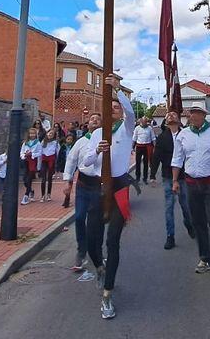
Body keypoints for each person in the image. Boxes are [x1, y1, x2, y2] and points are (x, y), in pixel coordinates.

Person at [80, 76, 136, 319]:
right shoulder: (96, 135)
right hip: (97, 187)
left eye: (117, 106)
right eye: (111, 105)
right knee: (92, 239)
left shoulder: (126, 128)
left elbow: (131, 113)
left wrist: (117, 90)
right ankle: (99, 267)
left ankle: (107, 294)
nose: (114, 108)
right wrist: (96, 151)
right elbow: (86, 163)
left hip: (120, 188)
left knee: (113, 242)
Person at [172, 103, 210, 292]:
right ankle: (205, 257)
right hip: (191, 184)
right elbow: (177, 159)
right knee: (197, 221)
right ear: (189, 115)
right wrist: (175, 180)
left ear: (204, 115)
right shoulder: (183, 135)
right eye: (192, 113)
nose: (195, 115)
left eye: (198, 113)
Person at [63, 111, 102, 271]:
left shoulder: (105, 142)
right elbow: (71, 161)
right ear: (88, 123)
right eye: (92, 119)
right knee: (79, 218)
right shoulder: (80, 142)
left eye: (98, 120)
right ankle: (81, 250)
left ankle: (97, 253)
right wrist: (67, 182)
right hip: (83, 185)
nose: (95, 121)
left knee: (97, 222)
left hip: (98, 186)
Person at [154, 111, 194, 249]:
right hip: (168, 176)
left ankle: (189, 223)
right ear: (165, 121)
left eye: (173, 114)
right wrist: (152, 175)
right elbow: (156, 156)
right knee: (169, 207)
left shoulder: (186, 135)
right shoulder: (162, 137)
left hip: (184, 175)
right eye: (168, 115)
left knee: (186, 205)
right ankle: (170, 236)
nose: (170, 115)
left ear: (179, 120)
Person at [38, 128, 59, 202]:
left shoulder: (55, 143)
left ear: (54, 136)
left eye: (52, 134)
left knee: (49, 178)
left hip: (51, 160)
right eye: (49, 133)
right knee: (43, 179)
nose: (50, 135)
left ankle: (49, 194)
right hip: (44, 160)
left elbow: (57, 152)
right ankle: (43, 195)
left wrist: (56, 163)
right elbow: (40, 152)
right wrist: (39, 164)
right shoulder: (43, 142)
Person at [21, 126, 41, 204]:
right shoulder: (25, 143)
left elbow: (39, 152)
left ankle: (26, 196)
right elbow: (21, 152)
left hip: (33, 162)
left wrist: (32, 154)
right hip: (26, 161)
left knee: (29, 179)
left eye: (33, 133)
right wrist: (23, 155)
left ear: (35, 134)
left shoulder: (37, 143)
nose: (32, 135)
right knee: (24, 180)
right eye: (30, 133)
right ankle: (31, 191)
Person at [132, 115, 155, 184]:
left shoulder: (150, 129)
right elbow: (134, 138)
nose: (145, 123)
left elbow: (153, 138)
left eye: (146, 121)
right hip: (139, 146)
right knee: (138, 163)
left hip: (147, 147)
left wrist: (155, 147)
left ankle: (145, 178)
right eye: (144, 121)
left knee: (145, 163)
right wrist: (131, 148)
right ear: (141, 121)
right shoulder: (137, 128)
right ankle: (137, 178)